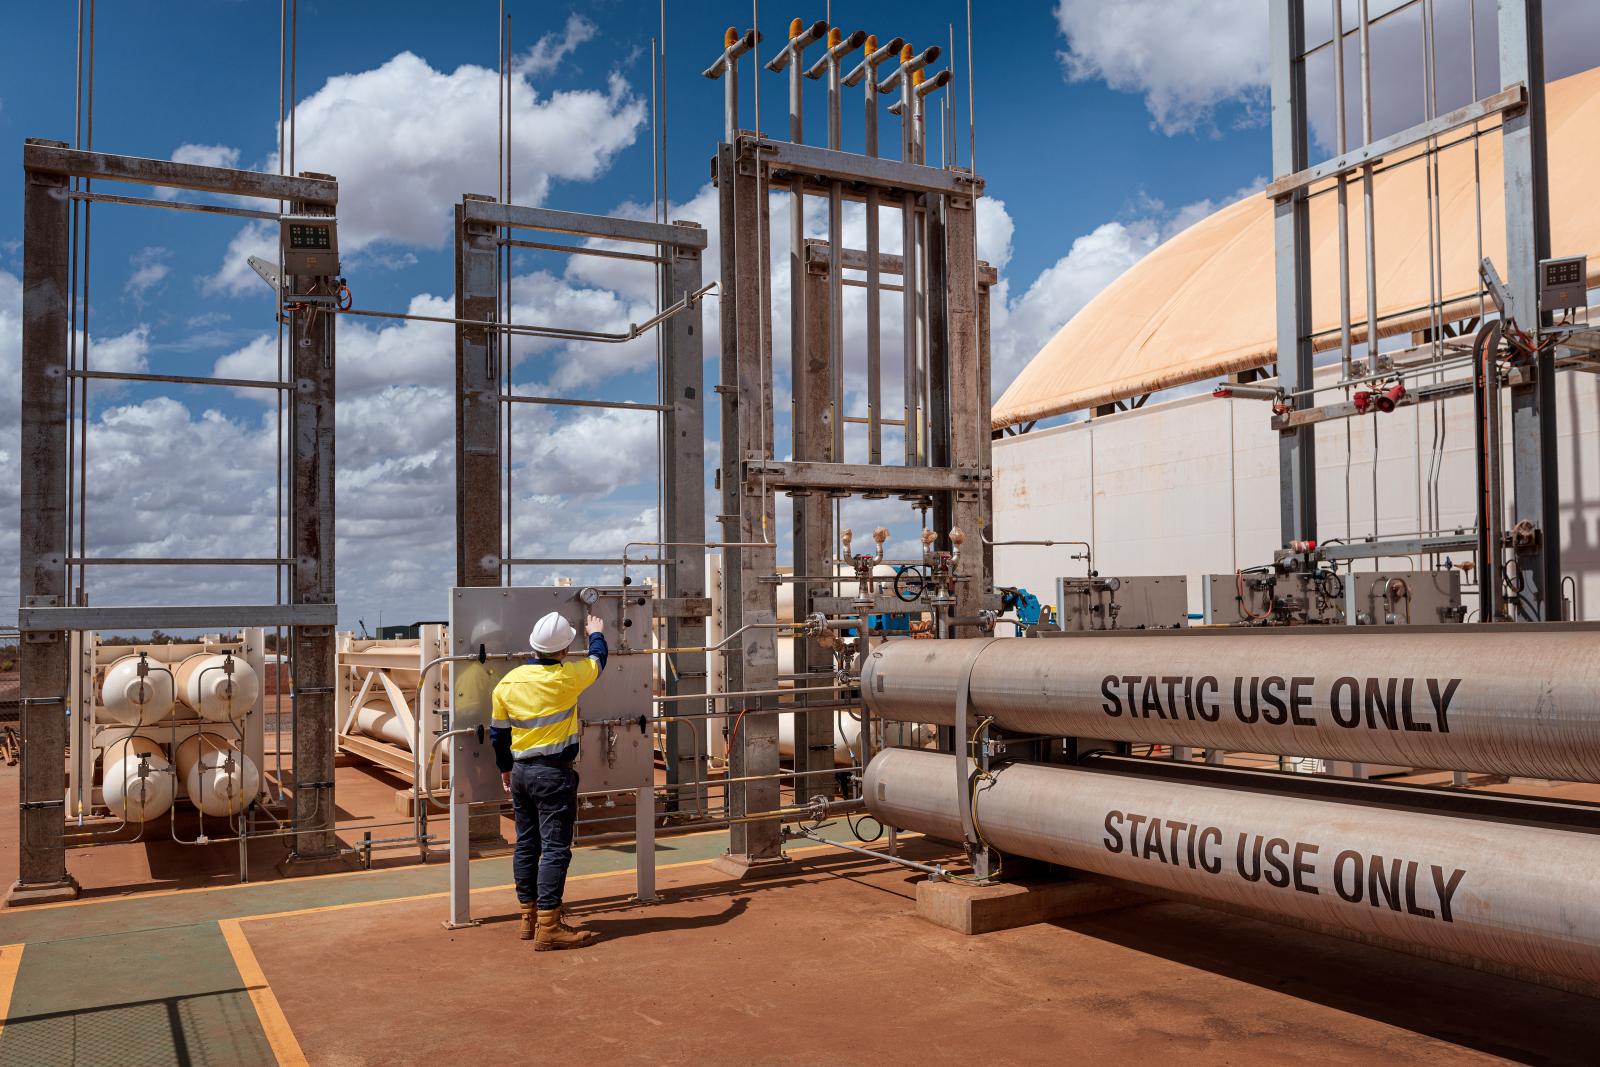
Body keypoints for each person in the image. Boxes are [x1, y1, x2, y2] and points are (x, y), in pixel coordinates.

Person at [491, 609, 607, 951]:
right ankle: (549, 926)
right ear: (564, 650)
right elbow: (598, 660)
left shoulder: (507, 683)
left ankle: (527, 917)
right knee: (556, 849)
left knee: (526, 845)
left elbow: (499, 736)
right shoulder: (568, 676)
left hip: (522, 774)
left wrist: (505, 768)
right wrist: (596, 632)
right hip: (553, 775)